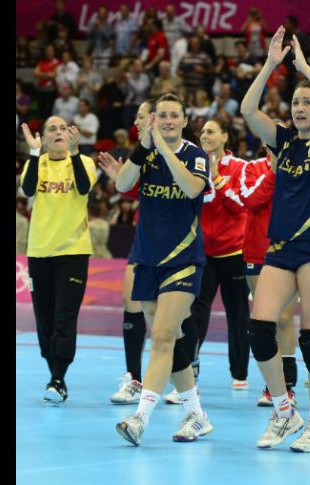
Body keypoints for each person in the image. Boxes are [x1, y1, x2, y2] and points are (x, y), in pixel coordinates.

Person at [241, 26, 310, 452]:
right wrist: (270, 65)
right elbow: (250, 111)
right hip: (282, 247)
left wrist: (303, 67)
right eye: (296, 101)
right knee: (261, 328)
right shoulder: (284, 142)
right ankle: (286, 412)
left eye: (308, 103)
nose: (300, 107)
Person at [114, 93, 213, 446]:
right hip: (147, 257)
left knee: (162, 337)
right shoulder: (145, 153)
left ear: (185, 120)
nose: (168, 120)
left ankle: (140, 418)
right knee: (171, 340)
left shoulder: (196, 156)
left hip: (184, 259)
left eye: (174, 115)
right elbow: (122, 184)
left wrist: (164, 150)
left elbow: (192, 188)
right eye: (162, 115)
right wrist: (143, 147)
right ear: (154, 119)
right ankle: (197, 415)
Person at [162, 118, 252, 403]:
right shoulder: (193, 163)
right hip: (202, 253)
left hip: (234, 252)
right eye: (202, 132)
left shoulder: (240, 167)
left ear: (225, 137)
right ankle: (189, 377)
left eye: (211, 131)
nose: (205, 136)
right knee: (193, 315)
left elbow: (241, 206)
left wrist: (217, 178)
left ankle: (240, 373)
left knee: (238, 314)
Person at [19, 118, 98, 403]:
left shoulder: (84, 162)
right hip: (39, 251)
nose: (57, 133)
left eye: (62, 128)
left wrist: (76, 153)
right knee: (45, 318)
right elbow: (27, 191)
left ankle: (58, 378)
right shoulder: (36, 164)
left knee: (65, 315)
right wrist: (32, 153)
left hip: (73, 252)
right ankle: (55, 375)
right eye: (51, 129)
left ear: (70, 134)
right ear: (44, 138)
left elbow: (84, 187)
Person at [237, 124, 299, 407]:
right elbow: (250, 200)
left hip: (287, 251)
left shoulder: (299, 167)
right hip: (256, 253)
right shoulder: (253, 168)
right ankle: (272, 387)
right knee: (264, 321)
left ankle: (286, 386)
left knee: (284, 319)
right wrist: (274, 171)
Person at [98, 99, 155, 405]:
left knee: (171, 319)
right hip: (143, 238)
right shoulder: (140, 153)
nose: (135, 121)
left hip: (177, 243)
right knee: (131, 301)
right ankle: (134, 378)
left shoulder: (179, 151)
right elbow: (137, 189)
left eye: (141, 116)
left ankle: (184, 381)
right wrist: (119, 177)